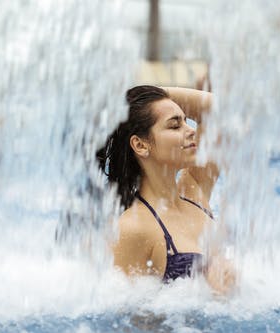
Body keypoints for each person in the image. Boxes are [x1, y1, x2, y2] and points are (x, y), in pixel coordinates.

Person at [96, 85, 235, 294]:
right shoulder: (132, 228)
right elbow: (120, 316)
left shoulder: (195, 195)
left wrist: (147, 94)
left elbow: (222, 111)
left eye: (186, 121)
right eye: (174, 126)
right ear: (141, 145)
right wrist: (212, 295)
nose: (191, 131)